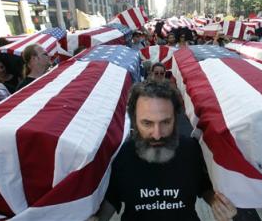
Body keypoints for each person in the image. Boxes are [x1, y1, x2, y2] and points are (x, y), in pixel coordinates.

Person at [95, 81, 237, 221]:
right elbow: (112, 197)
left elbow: (204, 186)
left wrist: (216, 203)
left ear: (175, 118)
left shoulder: (192, 149)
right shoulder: (121, 154)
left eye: (165, 122)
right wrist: (100, 218)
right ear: (134, 120)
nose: (157, 134)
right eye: (147, 123)